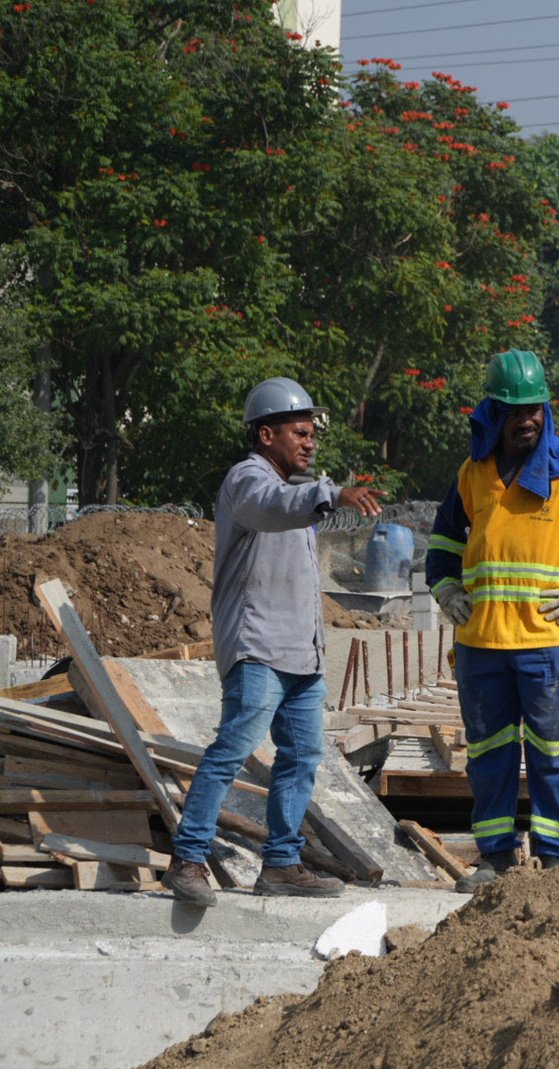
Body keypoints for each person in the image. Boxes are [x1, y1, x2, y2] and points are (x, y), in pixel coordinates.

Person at [426, 350, 559, 892]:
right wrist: (446, 588)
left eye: (535, 409)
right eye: (514, 410)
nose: (527, 419)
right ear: (493, 413)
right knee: (488, 756)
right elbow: (443, 543)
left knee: (552, 753)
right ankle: (496, 859)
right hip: (481, 645)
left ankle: (556, 861)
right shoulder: (472, 473)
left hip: (545, 644)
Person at [164, 377, 384, 908]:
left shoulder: (294, 496)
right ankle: (188, 859)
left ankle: (282, 864)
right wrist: (329, 493)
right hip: (258, 647)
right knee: (233, 750)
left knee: (301, 758)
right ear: (266, 435)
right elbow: (270, 505)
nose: (310, 443)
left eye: (312, 434)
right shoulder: (249, 480)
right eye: (300, 433)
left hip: (301, 654)